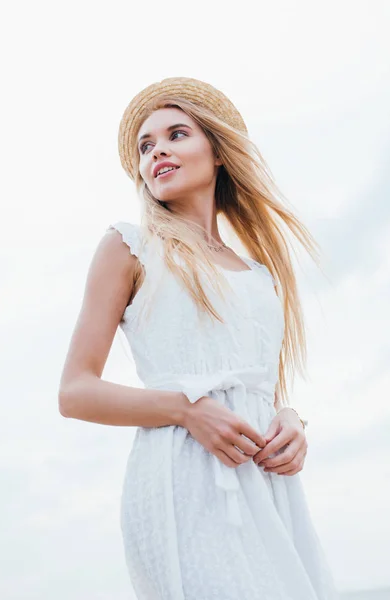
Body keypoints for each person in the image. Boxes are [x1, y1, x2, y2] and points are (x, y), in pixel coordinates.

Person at [58, 77, 339, 599]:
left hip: (267, 483)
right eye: (145, 146)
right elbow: (74, 392)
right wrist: (187, 409)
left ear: (218, 152)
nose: (157, 150)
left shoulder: (261, 276)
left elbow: (258, 389)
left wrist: (291, 420)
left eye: (176, 134)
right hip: (180, 483)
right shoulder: (130, 247)